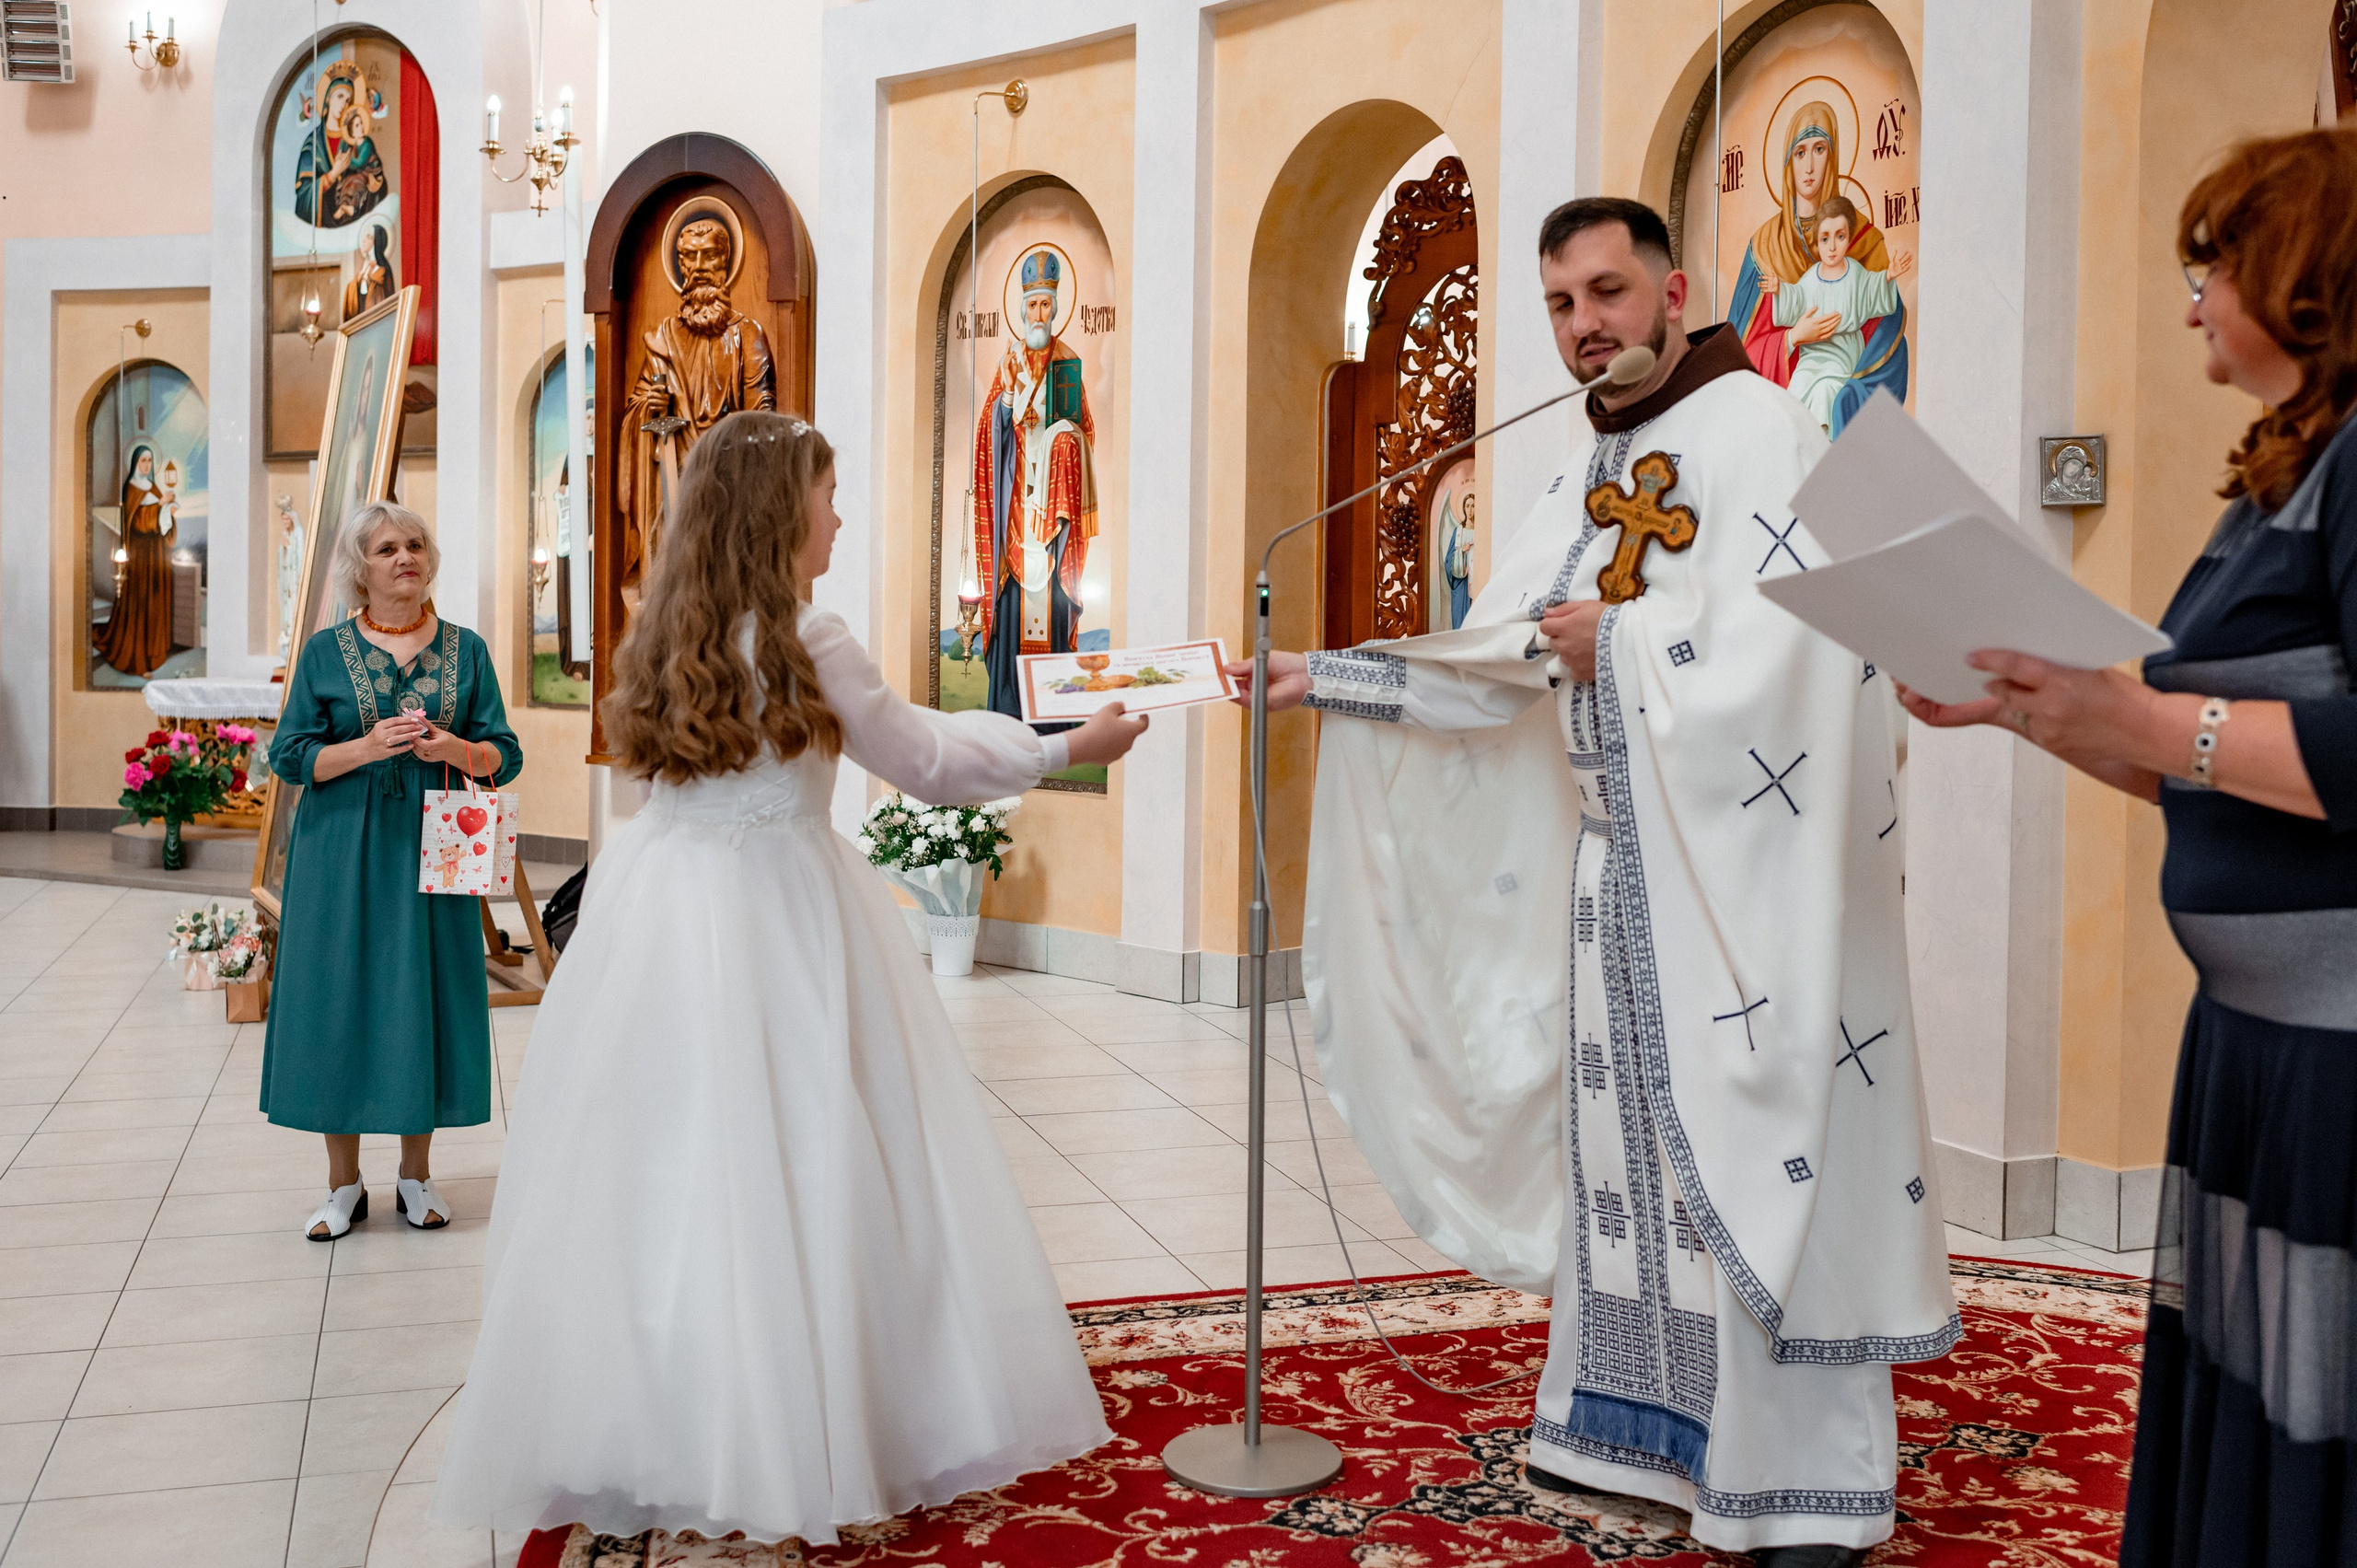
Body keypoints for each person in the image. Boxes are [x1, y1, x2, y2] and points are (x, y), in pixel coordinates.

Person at [1233, 197, 1952, 1567]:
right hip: (1617, 872)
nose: (1585, 326)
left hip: (1745, 890)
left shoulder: (1765, 430)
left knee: (1751, 1159)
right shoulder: (1586, 463)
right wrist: (1318, 675)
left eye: (1609, 292)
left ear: (1675, 291)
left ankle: (1794, 1480)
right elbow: (1509, 654)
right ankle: (1635, 1430)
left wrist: (1620, 644)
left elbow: (1816, 658)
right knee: (1633, 1170)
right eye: (1562, 304)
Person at [431, 411, 1146, 1547]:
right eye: (828, 494)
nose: (840, 517)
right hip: (777, 908)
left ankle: (668, 1411)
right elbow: (922, 757)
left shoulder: (665, 628)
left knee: (673, 1163)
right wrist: (1066, 746)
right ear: (780, 512)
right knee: (805, 1146)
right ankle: (803, 1415)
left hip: (660, 909)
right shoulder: (812, 635)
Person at [1898, 128, 2357, 1567]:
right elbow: (2201, 772)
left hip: (2343, 1055)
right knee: (2252, 1403)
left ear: (2305, 272)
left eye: (2213, 264)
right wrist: (2026, 707)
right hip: (2254, 1047)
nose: (2191, 299)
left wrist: (2143, 717)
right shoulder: (2280, 475)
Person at [261, 500, 523, 1240]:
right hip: (339, 851)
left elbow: (505, 752)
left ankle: (416, 1175)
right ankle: (343, 1185)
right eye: (386, 549)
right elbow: (289, 754)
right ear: (360, 568)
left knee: (424, 995)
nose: (405, 557)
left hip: (434, 849)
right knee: (337, 997)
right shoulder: (325, 652)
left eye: (414, 544)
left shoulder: (468, 650)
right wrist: (366, 747)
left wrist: (454, 749)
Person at [1762, 195, 1911, 436]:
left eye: (1839, 237)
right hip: (1812, 355)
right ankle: (1805, 442)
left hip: (1842, 354)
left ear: (1849, 238)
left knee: (1826, 389)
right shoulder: (1811, 278)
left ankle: (1824, 443)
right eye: (1825, 239)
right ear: (1817, 242)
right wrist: (1780, 290)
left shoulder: (1856, 274)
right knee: (1798, 387)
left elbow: (1871, 291)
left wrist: (1888, 276)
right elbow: (1796, 299)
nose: (1832, 247)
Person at [94, 444, 178, 678]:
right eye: (143, 461)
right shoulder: (130, 488)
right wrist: (160, 507)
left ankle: (154, 654)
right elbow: (136, 521)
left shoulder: (153, 486)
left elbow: (162, 521)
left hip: (157, 555)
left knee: (154, 603)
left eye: (150, 461)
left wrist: (168, 512)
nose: (147, 465)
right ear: (135, 463)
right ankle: (139, 662)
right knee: (140, 605)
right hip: (140, 557)